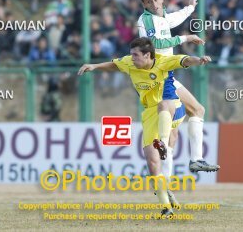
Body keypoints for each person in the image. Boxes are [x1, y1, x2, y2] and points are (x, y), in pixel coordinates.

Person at [78, 37, 213, 218]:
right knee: (152, 162)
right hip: (150, 113)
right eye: (131, 54)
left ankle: (163, 143)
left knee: (164, 105)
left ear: (148, 55)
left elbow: (185, 60)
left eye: (135, 55)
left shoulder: (163, 62)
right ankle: (167, 207)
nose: (132, 58)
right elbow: (115, 65)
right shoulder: (130, 63)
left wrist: (199, 60)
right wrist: (94, 66)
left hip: (173, 106)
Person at [137, 0, 219, 178]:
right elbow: (154, 44)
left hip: (167, 75)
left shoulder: (163, 17)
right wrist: (185, 38)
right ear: (144, 4)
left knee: (195, 112)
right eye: (149, 1)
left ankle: (187, 166)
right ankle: (189, 163)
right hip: (157, 78)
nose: (154, 3)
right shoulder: (145, 20)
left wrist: (190, 8)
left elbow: (176, 17)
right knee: (175, 129)